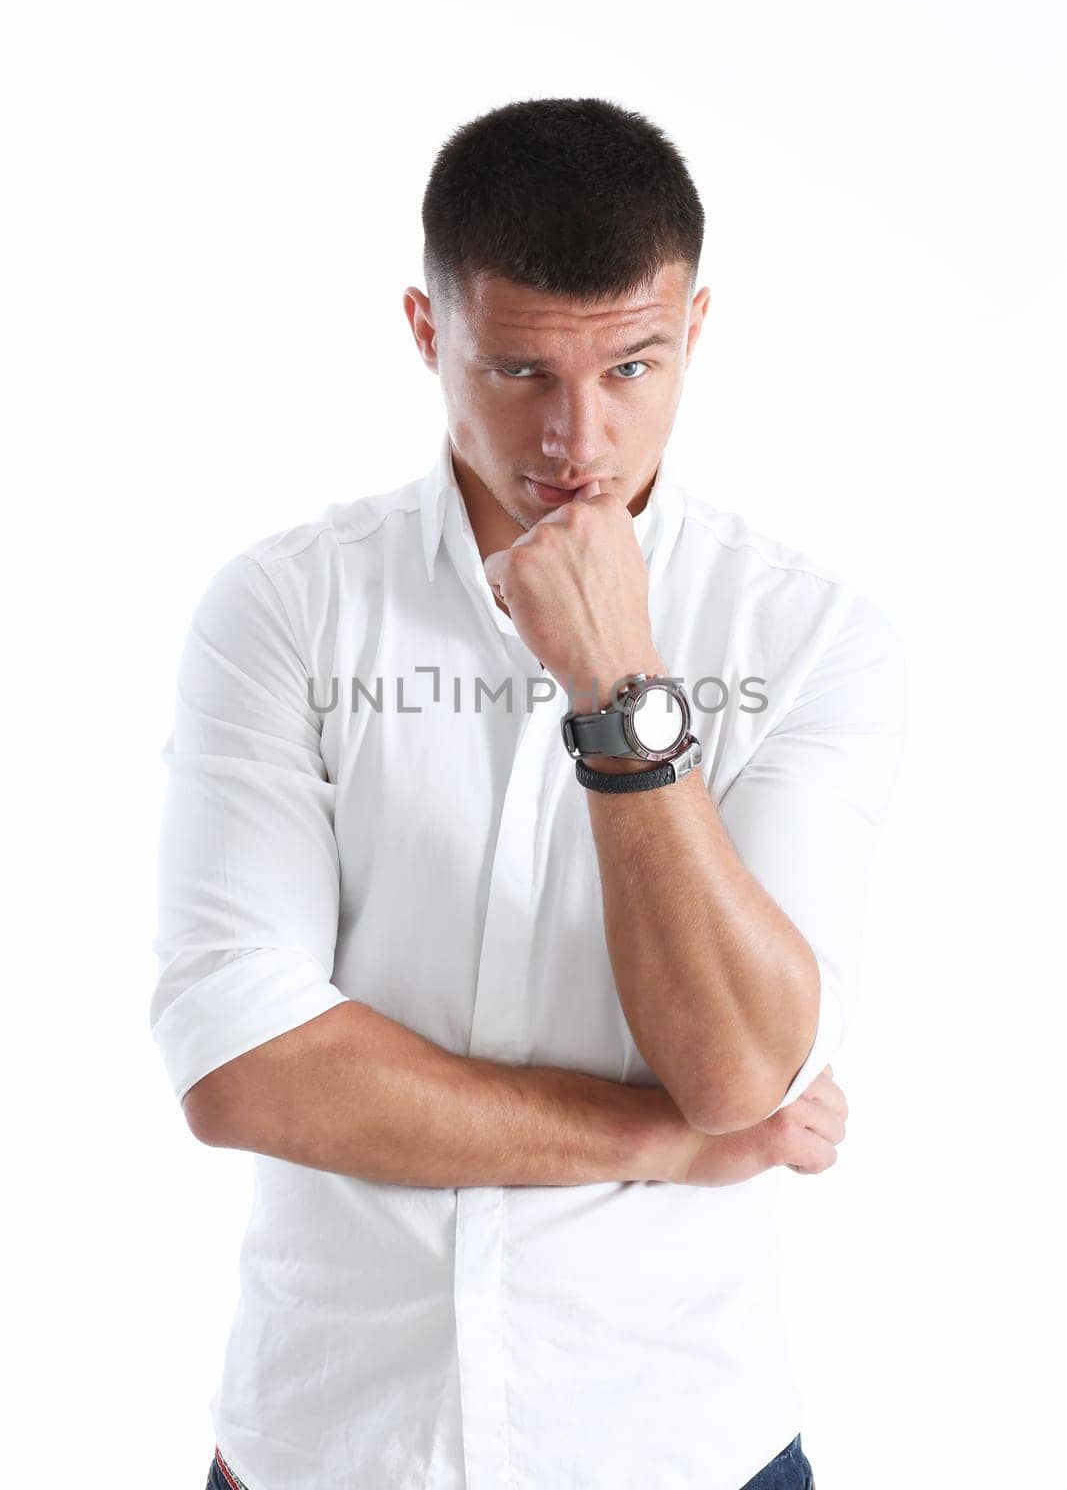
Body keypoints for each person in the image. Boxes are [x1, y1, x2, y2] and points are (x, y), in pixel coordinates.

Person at [153, 96, 907, 1490]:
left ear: (695, 331)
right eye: (519, 374)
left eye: (632, 368)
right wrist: (664, 1145)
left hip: (680, 1444)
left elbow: (740, 1068)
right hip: (331, 1445)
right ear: (428, 333)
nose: (579, 441)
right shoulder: (284, 609)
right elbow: (240, 1063)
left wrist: (621, 690)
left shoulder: (807, 637)